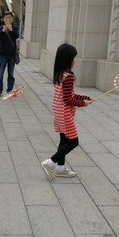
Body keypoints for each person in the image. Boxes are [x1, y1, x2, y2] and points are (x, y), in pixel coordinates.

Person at [41, 43, 94, 179]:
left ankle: (60, 168)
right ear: (68, 59)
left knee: (64, 140)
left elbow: (69, 95)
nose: (75, 60)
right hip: (64, 114)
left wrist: (85, 98)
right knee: (73, 141)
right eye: (74, 57)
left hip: (58, 112)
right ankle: (50, 162)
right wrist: (83, 103)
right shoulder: (68, 76)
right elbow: (68, 100)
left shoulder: (60, 74)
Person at [0, 11, 19, 98]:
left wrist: (11, 30)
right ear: (3, 19)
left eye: (9, 17)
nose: (8, 19)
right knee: (0, 74)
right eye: (6, 18)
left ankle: (10, 90)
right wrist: (3, 30)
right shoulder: (0, 28)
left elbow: (16, 36)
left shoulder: (15, 28)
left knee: (11, 74)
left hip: (12, 55)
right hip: (2, 55)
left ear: (12, 19)